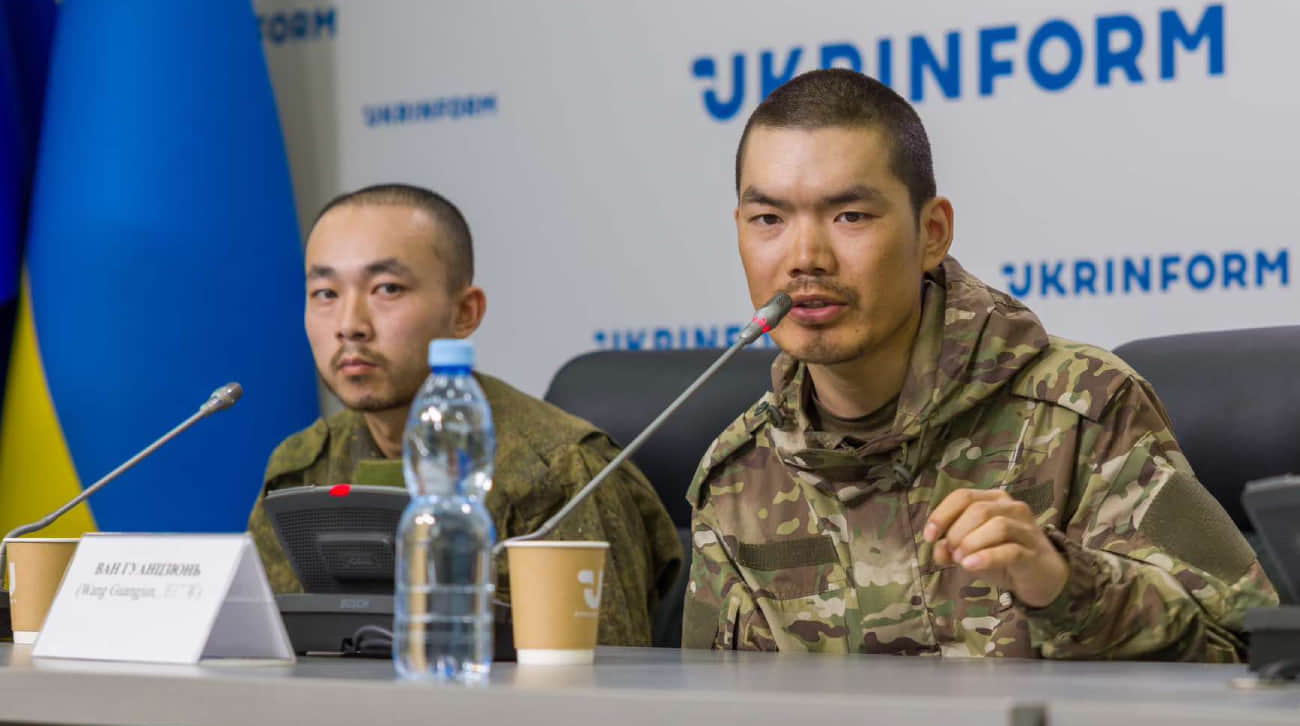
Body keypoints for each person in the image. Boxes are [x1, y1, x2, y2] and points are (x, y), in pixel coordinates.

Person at [681, 69, 1277, 660]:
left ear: (932, 233)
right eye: (769, 220)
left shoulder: (1085, 408)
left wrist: (1065, 587)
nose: (805, 257)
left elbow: (1246, 651)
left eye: (850, 216)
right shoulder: (737, 475)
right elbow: (709, 698)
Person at [248, 183, 681, 646]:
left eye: (386, 289)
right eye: (325, 293)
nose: (350, 325)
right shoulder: (301, 468)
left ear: (465, 313)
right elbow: (264, 650)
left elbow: (604, 673)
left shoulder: (560, 473)